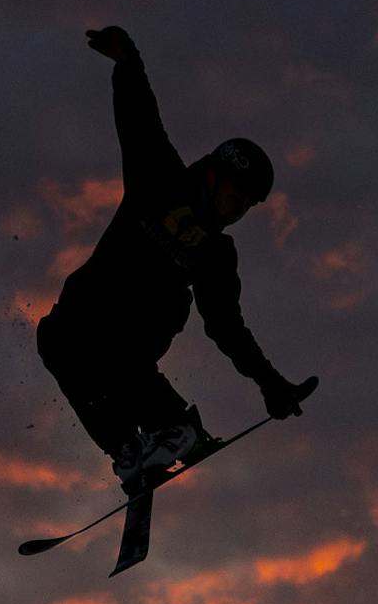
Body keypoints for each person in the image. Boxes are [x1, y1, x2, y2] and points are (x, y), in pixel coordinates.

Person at [37, 25, 309, 489]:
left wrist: (270, 383)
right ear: (213, 177)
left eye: (245, 207)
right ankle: (128, 446)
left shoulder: (217, 254)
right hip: (93, 308)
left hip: (140, 326)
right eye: (233, 198)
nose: (236, 211)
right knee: (56, 338)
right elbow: (140, 120)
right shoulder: (159, 178)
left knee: (120, 340)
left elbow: (227, 328)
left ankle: (173, 425)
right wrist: (128, 63)